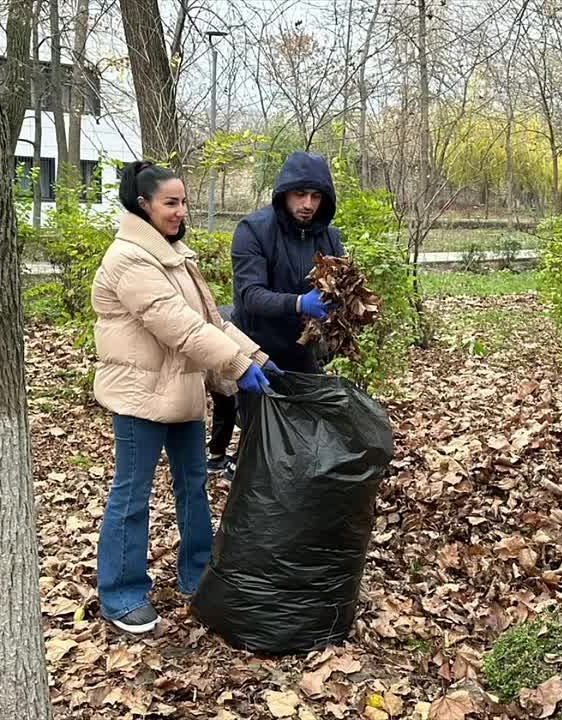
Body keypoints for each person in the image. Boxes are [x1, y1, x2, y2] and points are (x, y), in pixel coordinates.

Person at [91, 161, 281, 634]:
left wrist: (257, 357)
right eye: (170, 203)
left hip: (180, 392)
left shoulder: (174, 256)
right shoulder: (130, 259)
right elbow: (178, 327)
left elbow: (210, 322)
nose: (181, 211)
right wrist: (237, 366)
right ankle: (121, 595)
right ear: (144, 205)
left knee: (193, 486)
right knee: (132, 494)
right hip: (139, 398)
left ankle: (198, 574)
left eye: (184, 202)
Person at [231, 151, 345, 373]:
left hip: (303, 350)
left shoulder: (329, 237)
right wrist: (299, 303)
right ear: (284, 193)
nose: (308, 204)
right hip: (255, 350)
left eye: (316, 196)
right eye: (300, 194)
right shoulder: (253, 230)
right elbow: (251, 295)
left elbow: (339, 287)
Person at [206, 305, 238, 479]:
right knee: (233, 405)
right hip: (225, 355)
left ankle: (216, 456)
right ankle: (234, 462)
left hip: (216, 355)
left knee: (225, 405)